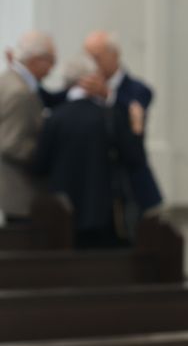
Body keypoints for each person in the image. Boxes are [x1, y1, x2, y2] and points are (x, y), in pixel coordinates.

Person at [31, 54, 146, 248]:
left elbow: (39, 165)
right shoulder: (109, 116)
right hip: (103, 213)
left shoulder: (54, 118)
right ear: (93, 80)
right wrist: (137, 128)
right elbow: (135, 159)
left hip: (62, 214)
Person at [81, 30, 163, 213]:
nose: (91, 63)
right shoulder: (85, 87)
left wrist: (108, 94)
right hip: (96, 183)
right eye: (87, 57)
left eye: (96, 57)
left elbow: (131, 111)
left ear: (114, 55)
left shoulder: (137, 89)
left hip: (129, 182)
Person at [0, 31, 55, 224]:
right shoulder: (20, 92)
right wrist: (48, 153)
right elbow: (11, 144)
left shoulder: (8, 79)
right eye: (51, 61)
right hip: (20, 191)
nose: (52, 69)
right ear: (35, 60)